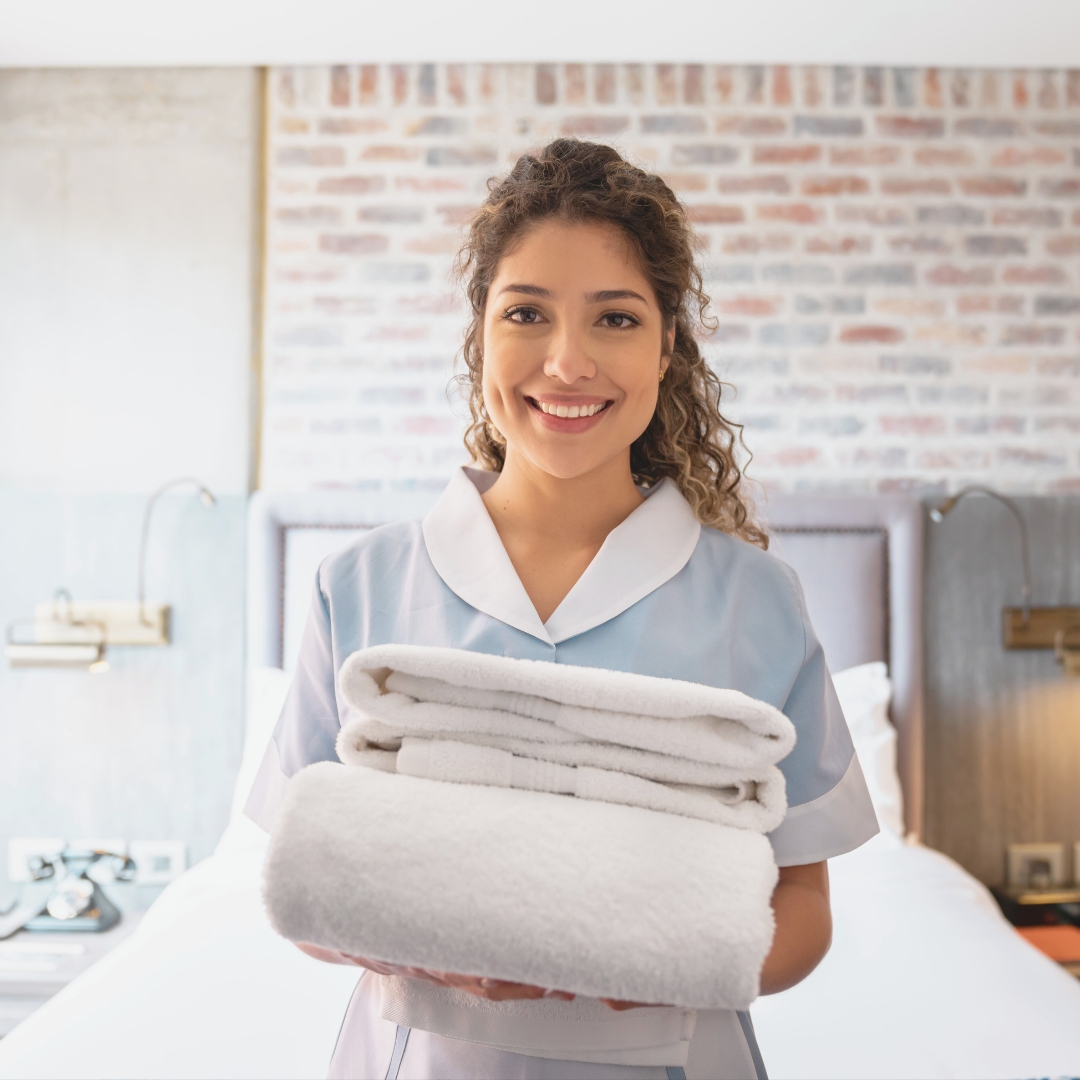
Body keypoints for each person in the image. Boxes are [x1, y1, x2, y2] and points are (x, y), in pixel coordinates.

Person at [246, 138, 878, 1080]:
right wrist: (435, 947)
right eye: (526, 313)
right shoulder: (363, 583)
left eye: (615, 318)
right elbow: (308, 877)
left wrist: (651, 963)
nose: (568, 361)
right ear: (481, 334)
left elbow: (801, 911)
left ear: (667, 346)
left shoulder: (756, 602)